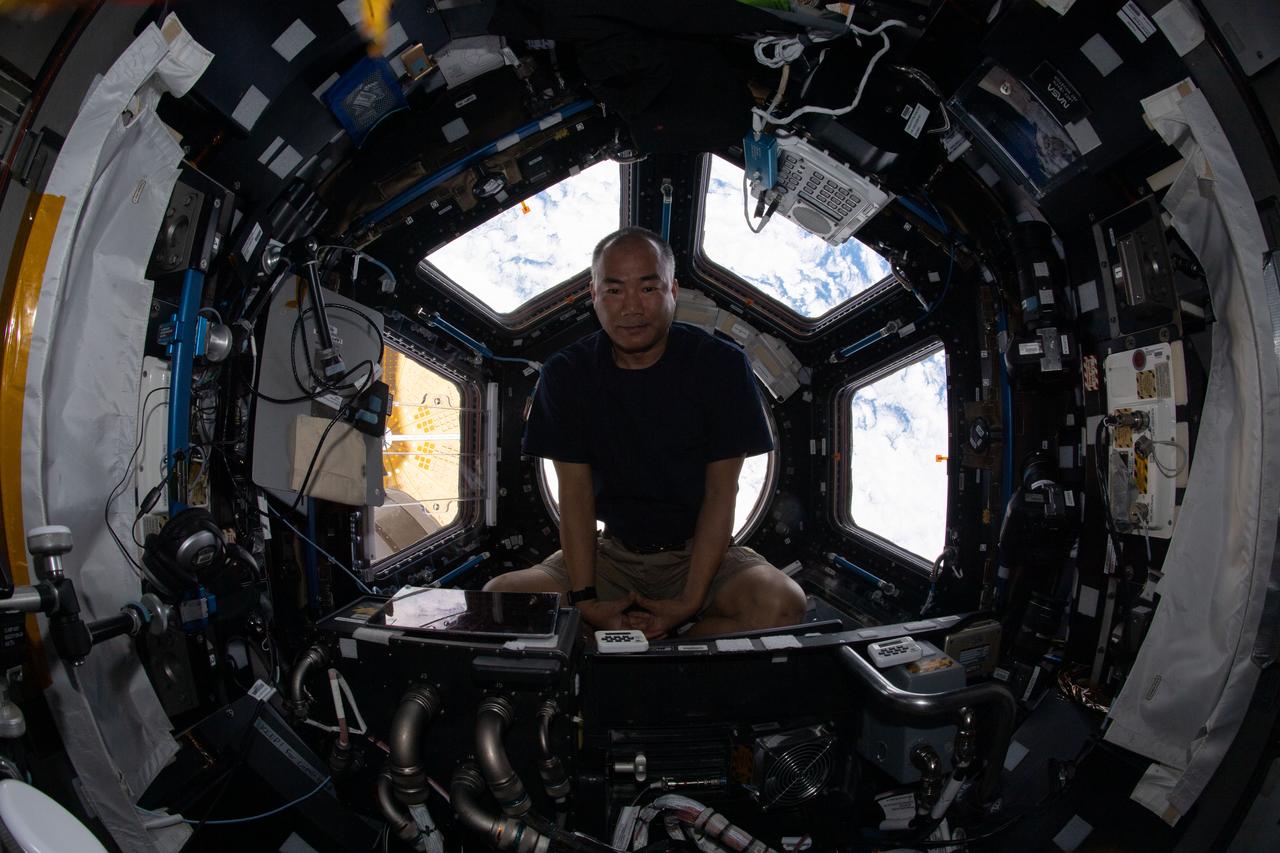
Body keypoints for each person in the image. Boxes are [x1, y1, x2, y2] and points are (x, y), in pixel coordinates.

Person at [485, 226, 806, 638]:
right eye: (615, 290)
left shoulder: (720, 367)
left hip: (699, 556)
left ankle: (677, 653)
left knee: (781, 604)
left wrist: (689, 602)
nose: (631, 308)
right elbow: (576, 494)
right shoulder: (567, 374)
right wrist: (587, 600)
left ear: (673, 290)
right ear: (594, 295)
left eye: (649, 288)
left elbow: (720, 494)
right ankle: (605, 653)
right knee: (501, 599)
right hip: (609, 557)